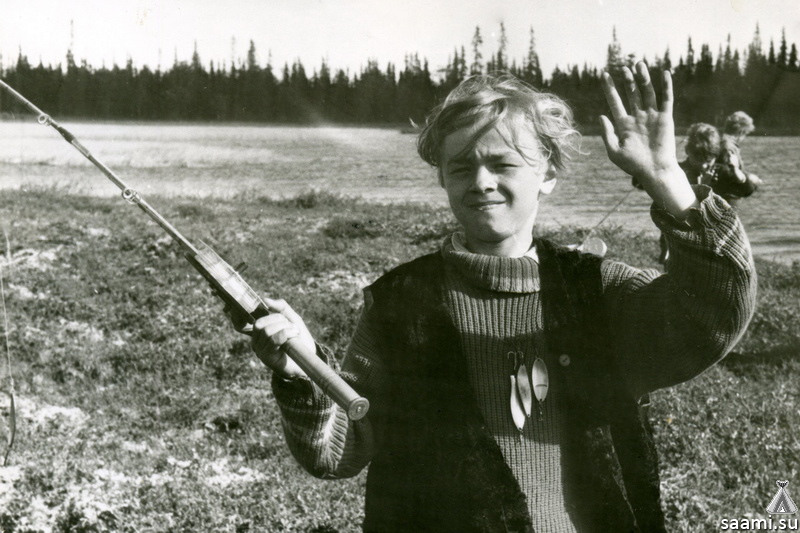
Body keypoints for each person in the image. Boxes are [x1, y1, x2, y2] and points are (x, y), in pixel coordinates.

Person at [247, 62, 756, 532]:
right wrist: (301, 372)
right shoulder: (399, 305)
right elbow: (337, 452)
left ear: (548, 174)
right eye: (461, 167)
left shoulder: (598, 292)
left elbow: (717, 311)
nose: (481, 181)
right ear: (442, 177)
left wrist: (666, 179)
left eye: (502, 163)